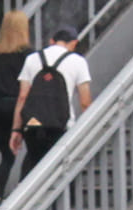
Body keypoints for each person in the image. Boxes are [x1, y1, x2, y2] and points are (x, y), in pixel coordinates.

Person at [9, 25, 92, 182]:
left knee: (31, 167)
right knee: (61, 171)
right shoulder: (78, 61)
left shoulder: (32, 59)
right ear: (74, 43)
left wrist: (16, 129)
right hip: (62, 125)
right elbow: (85, 102)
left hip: (33, 125)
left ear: (51, 41)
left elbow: (22, 97)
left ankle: (25, 203)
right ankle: (59, 206)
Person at [0, 10, 32, 205]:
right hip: (17, 105)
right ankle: (22, 190)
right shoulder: (28, 54)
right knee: (33, 148)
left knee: (7, 154)